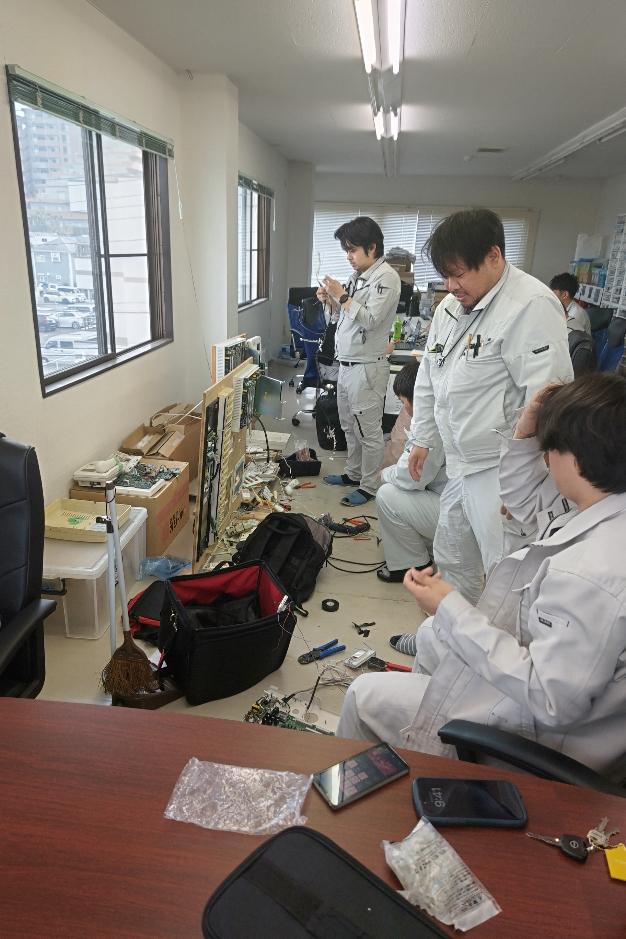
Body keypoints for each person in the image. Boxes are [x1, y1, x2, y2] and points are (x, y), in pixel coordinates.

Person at [338, 374, 626, 783]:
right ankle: (423, 762)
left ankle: (371, 791)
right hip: (553, 682)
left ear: (574, 459)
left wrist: (450, 606)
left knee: (364, 696)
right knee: (433, 634)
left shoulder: (592, 572)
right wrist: (525, 429)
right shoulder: (603, 503)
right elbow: (522, 500)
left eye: (549, 450)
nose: (545, 461)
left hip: (536, 739)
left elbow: (550, 699)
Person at [405, 208, 573, 610]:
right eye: (445, 275)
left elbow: (549, 400)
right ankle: (447, 635)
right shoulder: (450, 307)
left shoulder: (531, 305)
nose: (451, 286)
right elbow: (430, 374)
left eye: (459, 274)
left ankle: (491, 647)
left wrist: (527, 481)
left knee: (506, 573)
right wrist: (423, 438)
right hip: (460, 463)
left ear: (494, 256)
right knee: (452, 556)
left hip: (500, 468)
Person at [317, 217, 401, 507]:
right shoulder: (357, 277)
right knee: (349, 426)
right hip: (347, 365)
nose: (348, 256)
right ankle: (353, 474)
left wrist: (341, 296)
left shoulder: (386, 278)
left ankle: (369, 486)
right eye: (346, 250)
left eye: (352, 250)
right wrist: (330, 302)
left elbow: (371, 319)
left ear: (372, 247)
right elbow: (341, 320)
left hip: (367, 368)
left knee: (369, 431)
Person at [376, 360, 447, 586]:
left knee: (387, 495)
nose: (403, 408)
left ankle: (412, 565)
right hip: (454, 500)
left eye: (402, 401)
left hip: (455, 512)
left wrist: (385, 474)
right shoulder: (442, 414)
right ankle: (422, 548)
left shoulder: (432, 428)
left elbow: (412, 477)